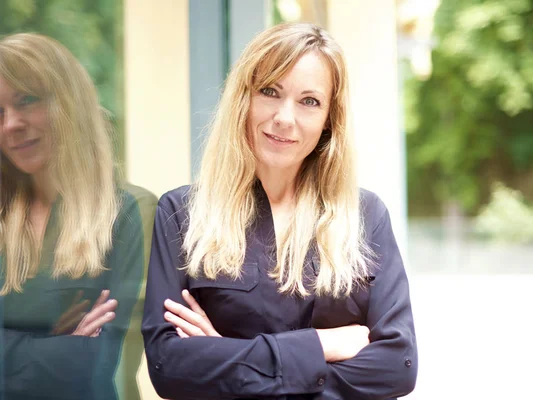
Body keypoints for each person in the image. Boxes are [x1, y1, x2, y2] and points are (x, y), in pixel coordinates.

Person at [142, 22, 417, 400]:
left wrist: (226, 357)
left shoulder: (365, 215)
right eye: (270, 91)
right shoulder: (182, 213)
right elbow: (168, 367)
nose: (285, 118)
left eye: (309, 101)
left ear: (328, 120)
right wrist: (322, 345)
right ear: (244, 98)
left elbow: (397, 367)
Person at [0, 33, 157, 400]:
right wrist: (58, 348)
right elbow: (74, 361)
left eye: (27, 101)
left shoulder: (132, 212)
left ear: (69, 104)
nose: (11, 124)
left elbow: (101, 367)